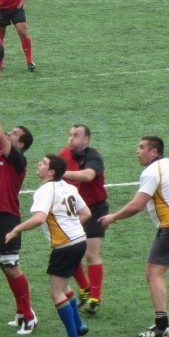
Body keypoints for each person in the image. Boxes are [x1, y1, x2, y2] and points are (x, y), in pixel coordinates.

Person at [100, 137, 169, 337]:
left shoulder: (150, 172)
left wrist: (113, 217)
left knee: (153, 272)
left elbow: (137, 205)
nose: (137, 151)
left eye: (142, 148)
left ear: (154, 152)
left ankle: (162, 326)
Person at [6, 154, 91, 337]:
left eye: (43, 163)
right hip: (80, 241)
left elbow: (39, 218)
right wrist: (72, 228)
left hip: (65, 245)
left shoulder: (45, 190)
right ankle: (79, 325)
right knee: (64, 287)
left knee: (56, 293)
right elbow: (86, 213)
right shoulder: (69, 187)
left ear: (51, 172)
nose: (39, 163)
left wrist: (16, 230)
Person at [0, 101, 38, 334]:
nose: (9, 134)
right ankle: (21, 312)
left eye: (14, 133)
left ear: (20, 143)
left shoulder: (18, 158)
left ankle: (30, 315)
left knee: (12, 266)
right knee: (5, 266)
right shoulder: (2, 152)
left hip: (8, 217)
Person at [59, 124, 107, 315]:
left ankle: (95, 296)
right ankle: (85, 287)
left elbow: (88, 176)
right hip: (74, 210)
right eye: (70, 134)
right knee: (70, 251)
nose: (71, 138)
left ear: (86, 140)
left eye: (76, 135)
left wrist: (61, 173)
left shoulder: (93, 156)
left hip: (95, 209)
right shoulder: (64, 155)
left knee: (90, 252)